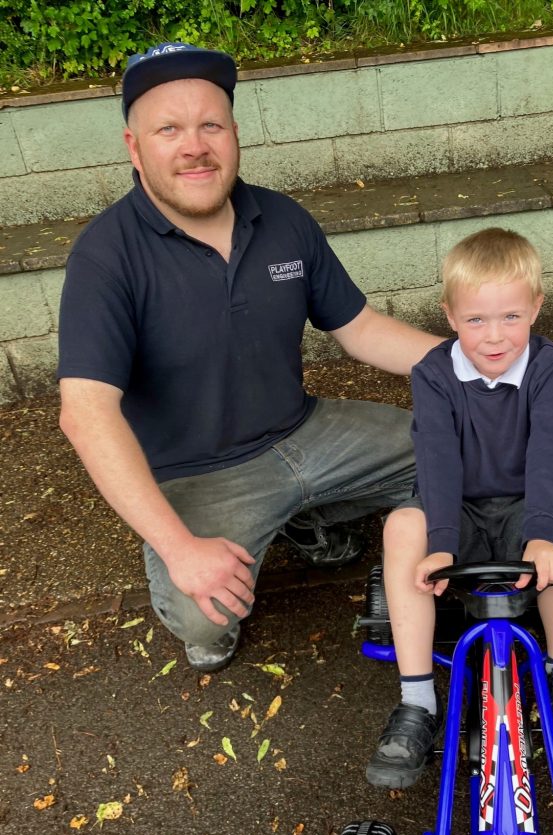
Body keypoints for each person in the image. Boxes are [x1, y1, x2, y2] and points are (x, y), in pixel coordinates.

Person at [57, 43, 441, 672]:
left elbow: (360, 329)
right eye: (169, 129)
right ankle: (268, 526)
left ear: (234, 134)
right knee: (202, 620)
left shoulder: (283, 219)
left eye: (210, 124)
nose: (194, 146)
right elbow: (85, 414)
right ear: (135, 147)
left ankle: (298, 516)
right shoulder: (106, 256)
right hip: (199, 474)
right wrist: (181, 549)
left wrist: (474, 360)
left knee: (462, 449)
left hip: (306, 430)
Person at [366, 227, 553, 789]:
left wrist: (544, 535)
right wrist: (443, 544)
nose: (495, 336)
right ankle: (417, 700)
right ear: (450, 317)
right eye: (476, 320)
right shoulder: (433, 373)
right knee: (404, 524)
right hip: (458, 507)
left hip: (531, 505)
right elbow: (438, 461)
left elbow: (549, 457)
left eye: (510, 317)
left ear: (536, 308)